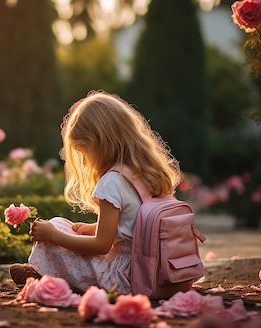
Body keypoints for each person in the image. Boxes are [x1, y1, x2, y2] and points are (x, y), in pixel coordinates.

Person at [9, 90, 182, 295]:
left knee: (55, 226)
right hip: (157, 269)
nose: (85, 160)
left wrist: (54, 236)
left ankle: (41, 272)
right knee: (67, 226)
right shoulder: (144, 171)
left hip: (126, 278)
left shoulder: (111, 181)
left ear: (100, 144)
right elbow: (135, 223)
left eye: (84, 151)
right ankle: (43, 269)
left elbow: (101, 246)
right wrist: (94, 227)